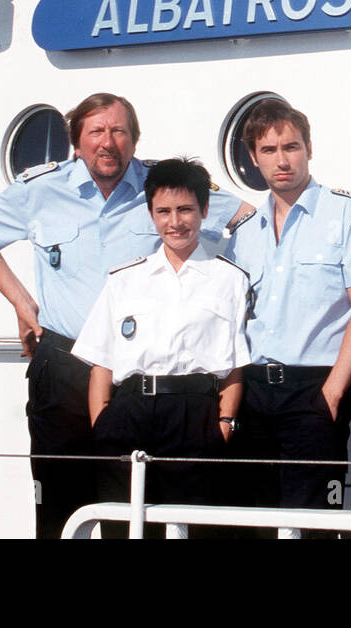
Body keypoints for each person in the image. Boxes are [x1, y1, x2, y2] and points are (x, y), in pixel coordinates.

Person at [0, 93, 254, 539]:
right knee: (60, 501)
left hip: (137, 382)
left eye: (119, 131)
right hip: (65, 364)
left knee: (134, 510)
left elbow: (247, 217)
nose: (108, 142)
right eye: (96, 132)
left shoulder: (162, 188)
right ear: (77, 142)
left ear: (134, 139)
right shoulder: (40, 191)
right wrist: (23, 303)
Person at [225, 97, 351, 530]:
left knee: (314, 518)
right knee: (253, 518)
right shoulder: (243, 235)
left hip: (315, 389)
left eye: (291, 147)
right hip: (255, 392)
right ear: (253, 159)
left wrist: (333, 393)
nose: (282, 160)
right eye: (269, 150)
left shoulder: (349, 215)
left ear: (309, 149)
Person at [72, 158, 250, 534]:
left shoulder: (229, 279)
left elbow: (235, 366)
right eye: (163, 211)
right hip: (129, 412)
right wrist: (102, 421)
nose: (175, 222)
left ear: (204, 210)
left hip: (195, 414)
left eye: (185, 209)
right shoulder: (125, 279)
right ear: (151, 214)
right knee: (125, 526)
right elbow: (101, 363)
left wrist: (225, 423)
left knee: (192, 527)